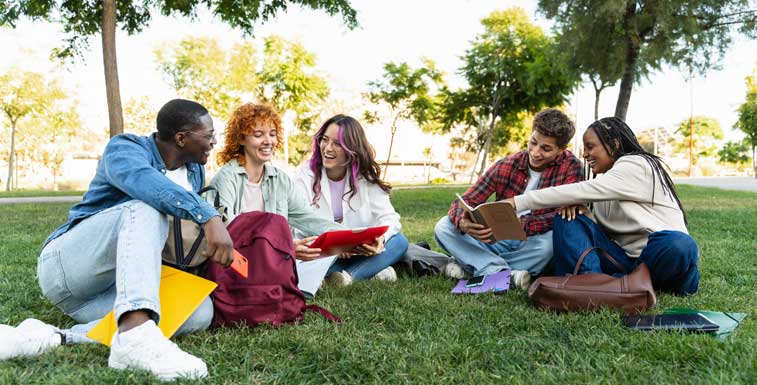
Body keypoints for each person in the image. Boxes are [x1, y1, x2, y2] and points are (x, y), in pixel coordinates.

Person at [0, 99, 234, 380]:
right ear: (181, 138)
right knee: (145, 206)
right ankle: (135, 333)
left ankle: (57, 337)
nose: (214, 142)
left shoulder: (194, 170)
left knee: (200, 311)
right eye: (208, 136)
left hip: (119, 287)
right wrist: (206, 215)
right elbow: (149, 185)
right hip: (70, 269)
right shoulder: (124, 149)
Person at [508, 117, 699, 295]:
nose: (585, 154)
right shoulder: (605, 183)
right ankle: (595, 284)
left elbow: (576, 190)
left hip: (661, 260)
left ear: (614, 145)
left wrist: (516, 202)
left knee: (678, 243)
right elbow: (606, 239)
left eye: (590, 146)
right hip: (626, 262)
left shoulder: (636, 164)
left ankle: (610, 285)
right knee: (568, 218)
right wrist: (586, 218)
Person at [434, 108, 584, 289]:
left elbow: (564, 215)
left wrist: (523, 224)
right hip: (496, 238)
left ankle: (474, 264)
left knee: (550, 245)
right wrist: (463, 222)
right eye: (533, 142)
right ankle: (500, 271)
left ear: (561, 150)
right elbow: (465, 200)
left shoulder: (572, 167)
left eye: (546, 149)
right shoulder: (506, 165)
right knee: (444, 226)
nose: (535, 152)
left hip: (534, 241)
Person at [209, 103, 343, 291]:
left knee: (315, 253)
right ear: (241, 139)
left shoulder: (280, 179)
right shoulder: (225, 180)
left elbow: (310, 219)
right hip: (238, 265)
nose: (268, 141)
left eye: (272, 134)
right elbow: (228, 238)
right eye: (258, 135)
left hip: (273, 263)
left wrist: (350, 237)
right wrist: (284, 249)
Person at [294, 114, 409, 286]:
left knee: (399, 242)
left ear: (351, 148)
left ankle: (348, 277)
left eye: (337, 144)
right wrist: (336, 245)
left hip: (359, 250)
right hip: (322, 251)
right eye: (324, 140)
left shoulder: (365, 176)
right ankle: (373, 271)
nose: (327, 148)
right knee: (298, 266)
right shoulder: (305, 175)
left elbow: (390, 218)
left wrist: (380, 241)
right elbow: (299, 222)